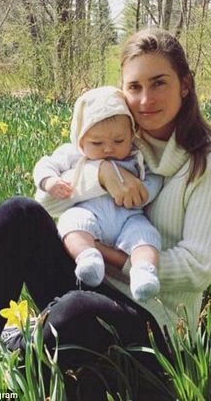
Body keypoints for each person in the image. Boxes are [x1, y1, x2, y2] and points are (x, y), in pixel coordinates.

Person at [0, 28, 211, 396]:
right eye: (135, 86)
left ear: (185, 85)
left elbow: (198, 268)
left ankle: (24, 342)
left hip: (153, 319)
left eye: (159, 83)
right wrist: (101, 173)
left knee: (76, 312)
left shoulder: (208, 161)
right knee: (17, 213)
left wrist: (110, 256)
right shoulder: (117, 135)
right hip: (86, 277)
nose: (145, 99)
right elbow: (45, 204)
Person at [34, 86, 162, 302]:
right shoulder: (72, 154)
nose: (108, 149)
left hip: (129, 216)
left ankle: (144, 272)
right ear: (80, 139)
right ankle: (87, 257)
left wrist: (145, 192)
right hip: (88, 212)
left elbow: (154, 176)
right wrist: (50, 182)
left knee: (145, 237)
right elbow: (45, 164)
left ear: (131, 134)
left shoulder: (137, 155)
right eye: (97, 143)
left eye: (118, 141)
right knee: (71, 224)